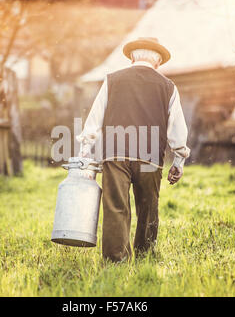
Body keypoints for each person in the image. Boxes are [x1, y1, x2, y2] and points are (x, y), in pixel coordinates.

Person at [77, 37, 190, 262]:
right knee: (148, 208)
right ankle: (145, 256)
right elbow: (177, 128)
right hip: (150, 157)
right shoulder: (168, 87)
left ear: (131, 58)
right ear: (158, 62)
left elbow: (94, 119)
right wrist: (179, 161)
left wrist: (85, 150)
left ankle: (115, 259)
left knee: (115, 207)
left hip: (114, 153)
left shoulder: (112, 80)